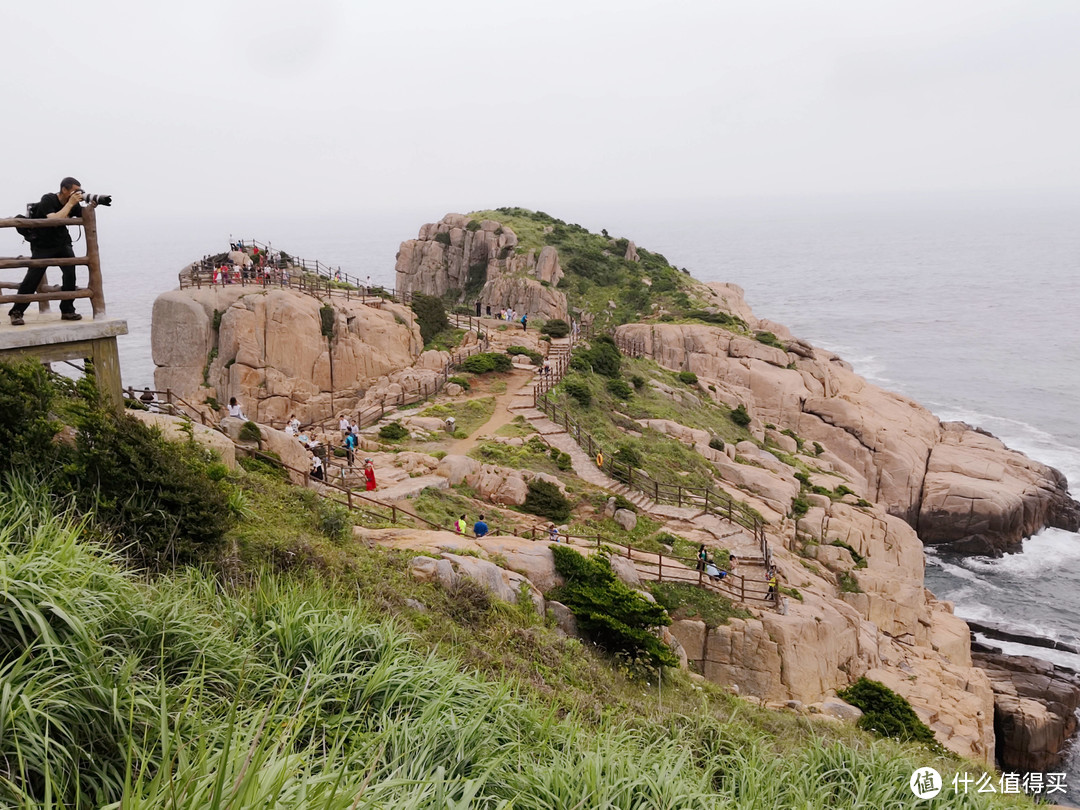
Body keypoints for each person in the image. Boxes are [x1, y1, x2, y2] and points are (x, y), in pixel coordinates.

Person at [9, 177, 95, 325]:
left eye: (79, 191)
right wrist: (70, 204)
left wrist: (93, 204)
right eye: (75, 191)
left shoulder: (72, 204)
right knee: (32, 278)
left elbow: (84, 213)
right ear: (64, 190)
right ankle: (17, 311)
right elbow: (54, 219)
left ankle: (67, 310)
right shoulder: (48, 199)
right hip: (43, 245)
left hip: (62, 244)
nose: (77, 194)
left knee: (70, 275)